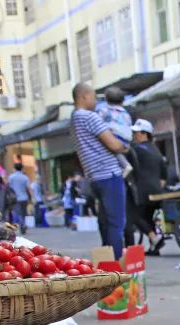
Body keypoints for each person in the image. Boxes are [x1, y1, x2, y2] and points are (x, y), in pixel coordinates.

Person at [70, 82, 129, 258]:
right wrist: (124, 146)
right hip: (109, 174)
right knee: (116, 223)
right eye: (94, 97)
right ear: (84, 96)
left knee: (105, 222)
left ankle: (107, 262)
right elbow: (114, 144)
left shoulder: (73, 119)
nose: (96, 101)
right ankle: (116, 264)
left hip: (94, 177)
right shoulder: (89, 116)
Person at [124, 119, 168, 255]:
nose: (134, 135)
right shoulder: (156, 150)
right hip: (157, 191)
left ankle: (153, 237)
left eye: (136, 133)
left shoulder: (135, 149)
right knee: (148, 218)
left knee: (133, 216)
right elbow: (164, 175)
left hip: (142, 190)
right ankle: (155, 248)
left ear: (144, 134)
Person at [97, 86, 135, 180]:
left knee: (110, 146)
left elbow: (98, 125)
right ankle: (124, 165)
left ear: (106, 100)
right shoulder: (125, 113)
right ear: (122, 101)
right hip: (126, 139)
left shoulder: (104, 111)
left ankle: (125, 165)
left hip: (115, 137)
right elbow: (129, 125)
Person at [6, 163, 31, 229]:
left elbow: (8, 187)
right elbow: (28, 188)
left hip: (15, 198)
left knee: (18, 213)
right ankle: (23, 224)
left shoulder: (11, 177)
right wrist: (32, 197)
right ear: (22, 168)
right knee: (24, 212)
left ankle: (22, 224)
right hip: (24, 198)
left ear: (14, 168)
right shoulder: (25, 177)